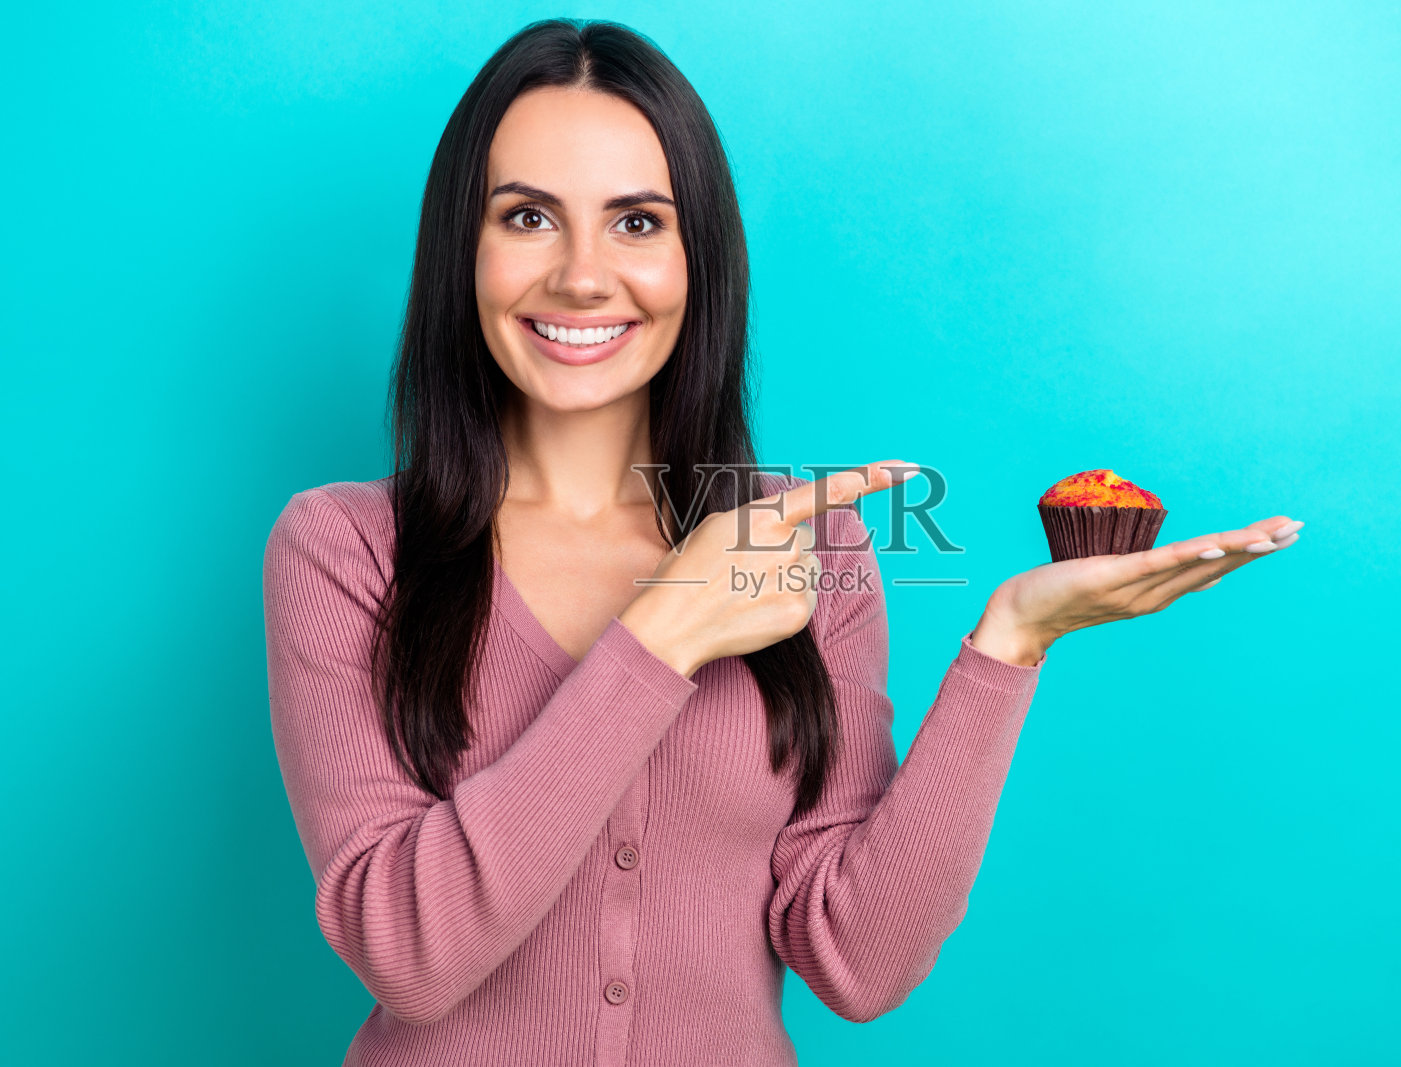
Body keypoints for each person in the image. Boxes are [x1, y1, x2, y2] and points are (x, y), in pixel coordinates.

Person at [262, 17, 1302, 1066]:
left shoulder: (808, 541)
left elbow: (858, 959)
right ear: (461, 248)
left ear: (697, 258)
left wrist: (1010, 646)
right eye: (528, 216)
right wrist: (665, 630)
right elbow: (409, 952)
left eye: (636, 223)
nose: (582, 276)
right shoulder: (346, 549)